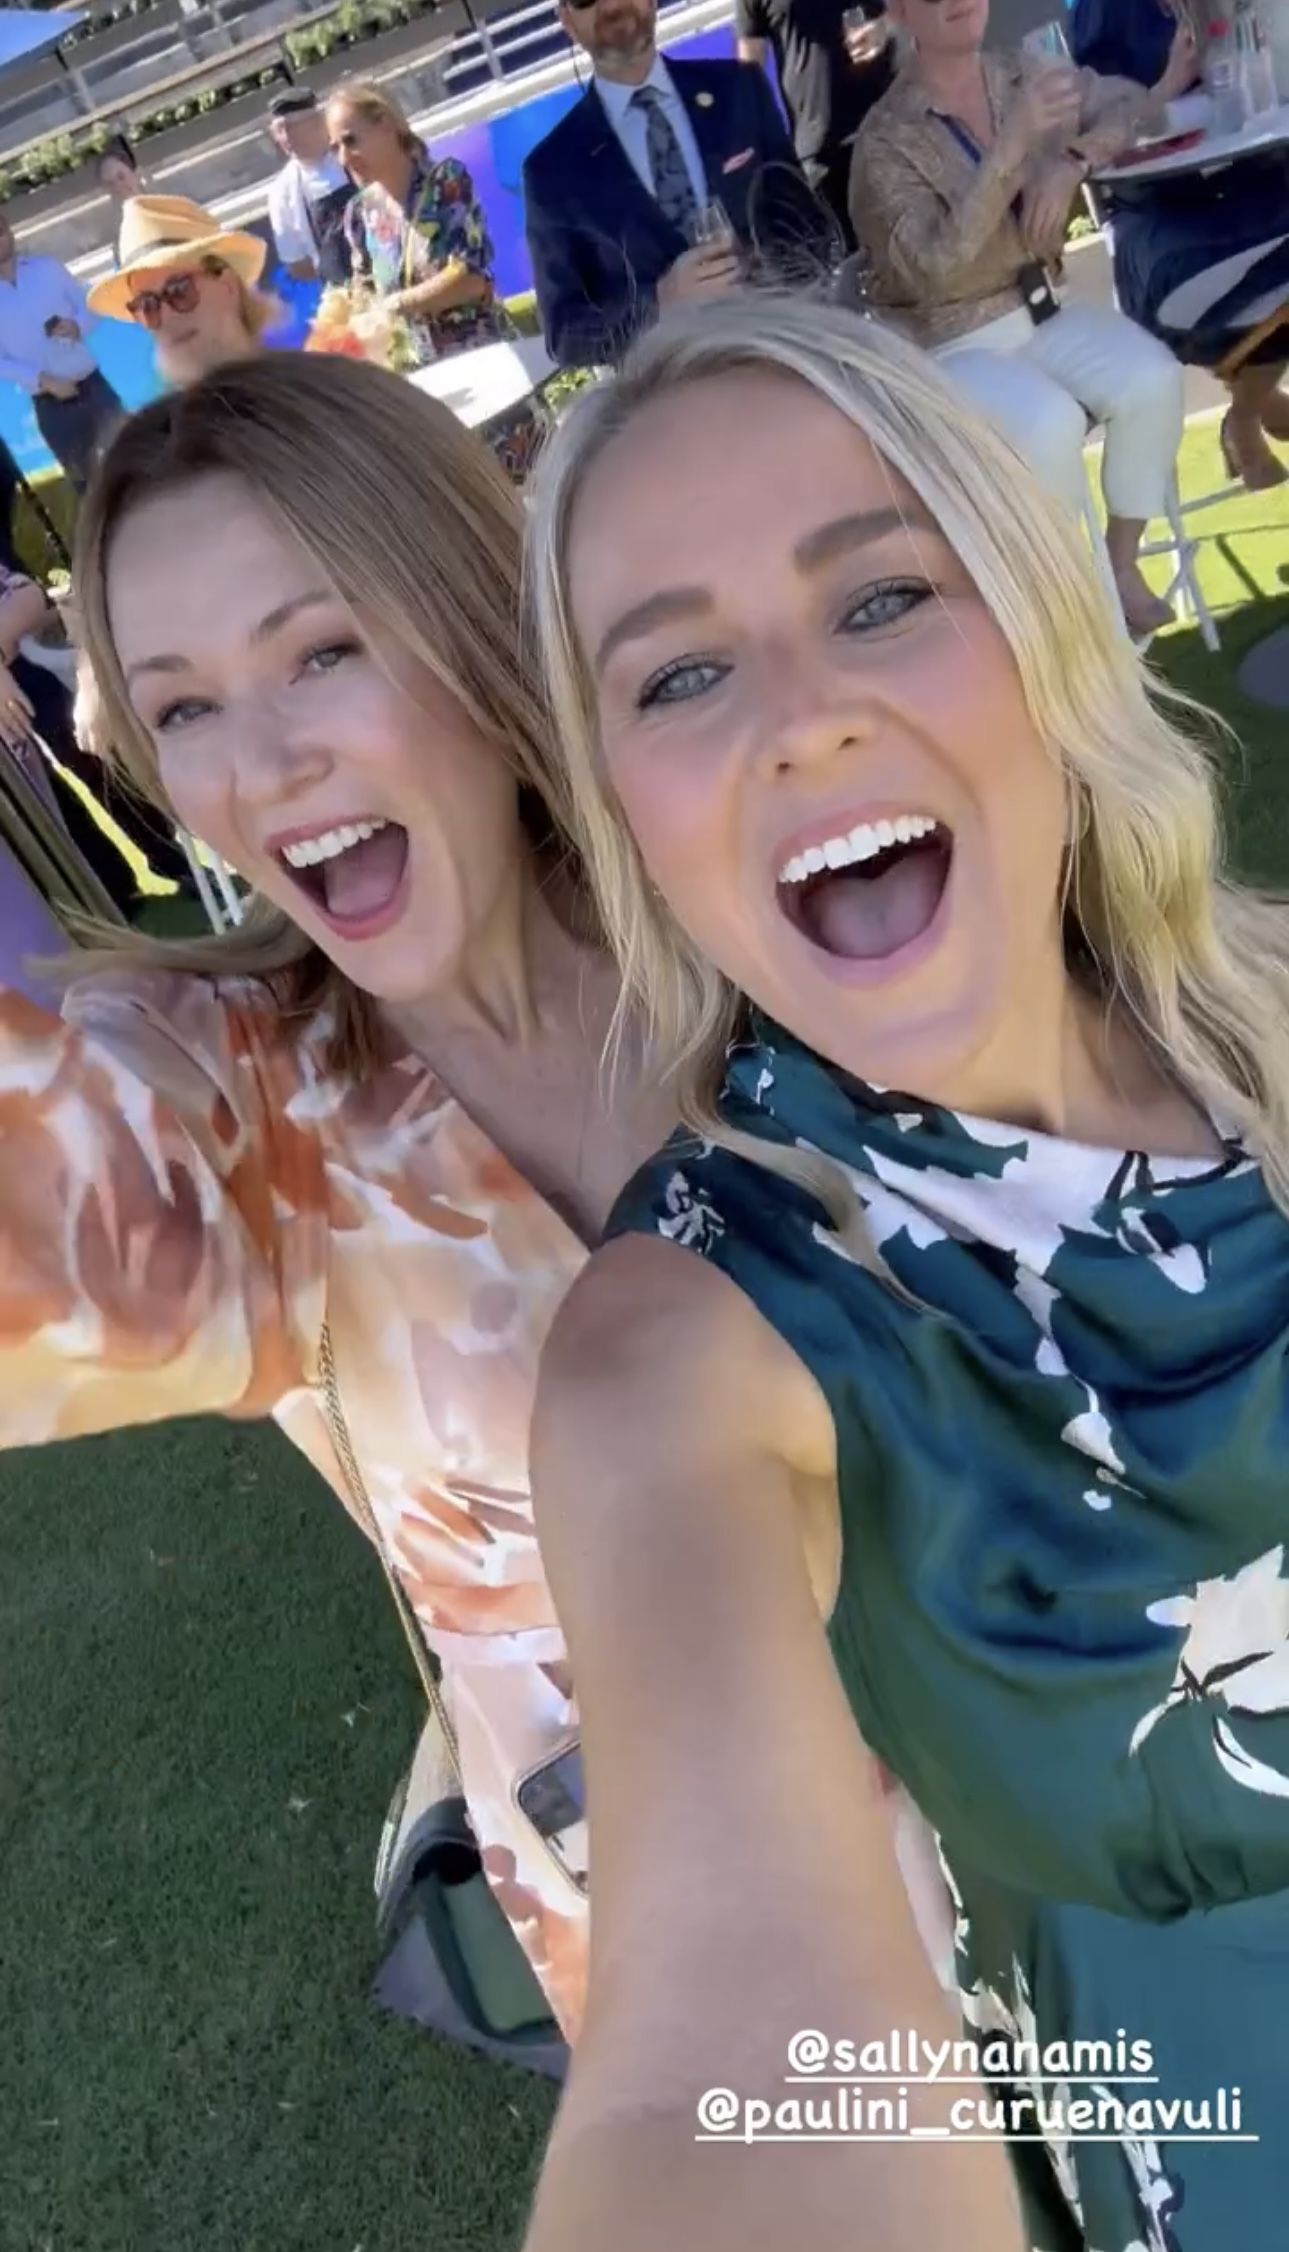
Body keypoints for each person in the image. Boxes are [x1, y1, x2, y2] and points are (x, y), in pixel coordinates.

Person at [523, 288, 1289, 2252]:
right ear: (624, 814)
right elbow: (724, 2069)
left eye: (876, 598)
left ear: (1037, 630)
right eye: (677, 677)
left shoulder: (1272, 1012)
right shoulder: (693, 1336)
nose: (798, 717)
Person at [0, 347, 694, 2051]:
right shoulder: (237, 1091)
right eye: (182, 708)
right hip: (695, 1939)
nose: (260, 767)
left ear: (469, 613)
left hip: (1085, 1799)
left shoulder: (743, 909)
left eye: (320, 651)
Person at [850, 0, 1186, 637]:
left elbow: (1134, 106)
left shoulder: (1022, 71)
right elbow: (934, 268)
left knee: (1154, 378)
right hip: (953, 343)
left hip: (1042, 310)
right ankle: (1079, 618)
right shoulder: (885, 138)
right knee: (1048, 422)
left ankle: (1118, 567)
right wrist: (1011, 150)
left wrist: (1073, 160)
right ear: (898, 12)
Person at [1071, 0, 1289, 491]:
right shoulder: (1106, 13)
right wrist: (1171, 82)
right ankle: (1251, 407)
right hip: (1164, 231)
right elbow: (1091, 136)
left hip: (1256, 195)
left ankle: (1249, 407)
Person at [522, 0, 803, 371]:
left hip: (786, 356)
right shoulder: (551, 171)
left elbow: (806, 224)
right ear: (567, 21)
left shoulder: (740, 87)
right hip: (674, 387)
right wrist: (659, 304)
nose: (611, 4)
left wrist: (766, 274)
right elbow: (565, 336)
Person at [329, 81, 543, 480]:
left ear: (386, 124)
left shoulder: (446, 181)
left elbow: (470, 278)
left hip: (487, 374)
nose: (344, 158)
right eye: (335, 148)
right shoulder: (358, 215)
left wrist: (394, 306)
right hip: (426, 398)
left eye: (350, 140)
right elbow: (363, 301)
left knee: (535, 487)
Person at [737, 0, 894, 248]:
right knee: (859, 257)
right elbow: (749, 71)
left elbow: (917, 11)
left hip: (890, 122)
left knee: (925, 239)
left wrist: (886, 28)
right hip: (819, 146)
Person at [87, 195, 274, 393]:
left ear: (228, 285)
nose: (167, 316)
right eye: (147, 306)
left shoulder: (295, 384)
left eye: (179, 290)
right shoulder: (166, 416)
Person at [0, 209, 122, 495]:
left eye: (0, 230)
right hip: (52, 409)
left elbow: (90, 305)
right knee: (90, 494)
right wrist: (42, 379)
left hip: (95, 389)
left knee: (138, 463)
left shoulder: (48, 269)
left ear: (9, 231)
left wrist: (77, 325)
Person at [266, 87, 355, 287]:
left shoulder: (353, 152)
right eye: (279, 131)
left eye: (291, 127)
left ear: (318, 122)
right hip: (344, 291)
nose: (286, 137)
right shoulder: (282, 192)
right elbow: (298, 266)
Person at [96, 138, 146, 261]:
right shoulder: (121, 240)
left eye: (121, 177)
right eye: (110, 184)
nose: (118, 186)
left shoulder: (171, 209)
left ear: (137, 174)